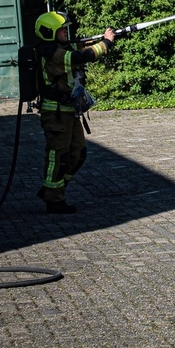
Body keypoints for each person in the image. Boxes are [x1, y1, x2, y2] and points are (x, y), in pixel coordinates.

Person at [33, 11, 115, 214]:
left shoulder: (62, 48)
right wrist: (105, 43)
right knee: (58, 157)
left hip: (69, 111)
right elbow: (82, 56)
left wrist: (98, 39)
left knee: (78, 153)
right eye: (61, 29)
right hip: (56, 114)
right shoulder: (53, 54)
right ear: (50, 32)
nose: (65, 31)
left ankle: (52, 190)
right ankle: (54, 200)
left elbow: (80, 48)